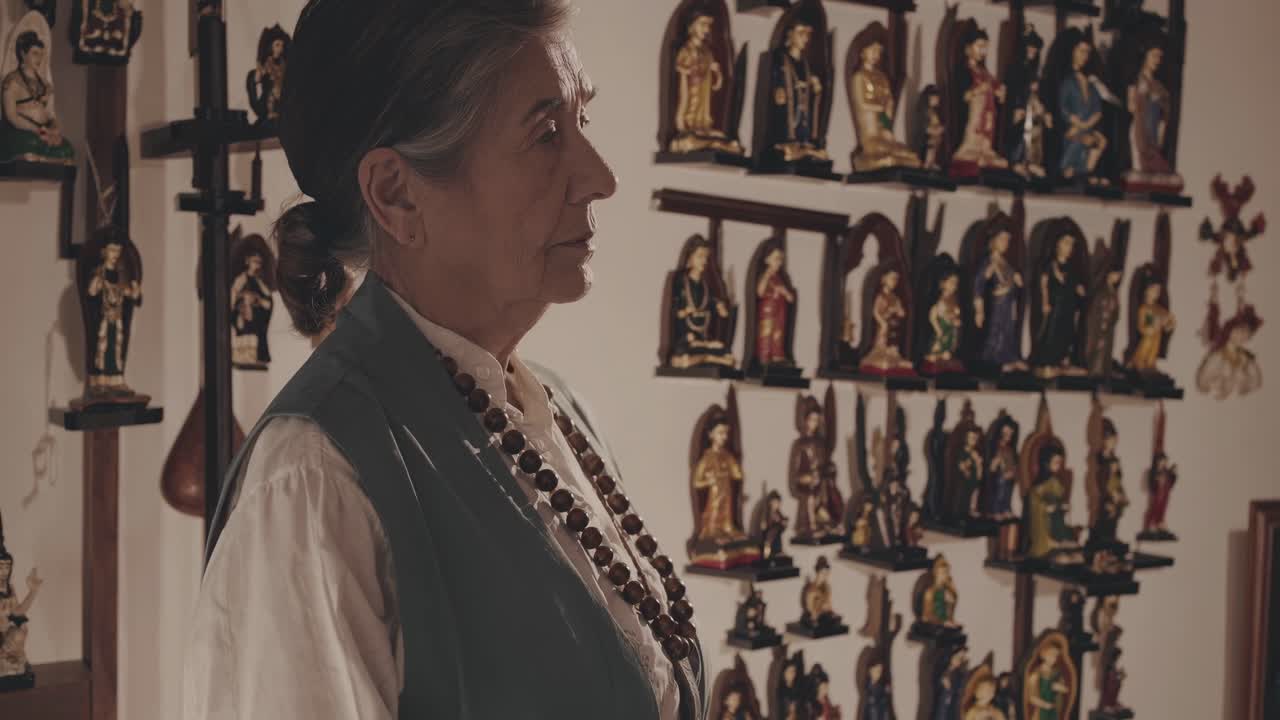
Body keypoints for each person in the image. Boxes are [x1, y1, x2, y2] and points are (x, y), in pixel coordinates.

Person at [184, 3, 705, 719]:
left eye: (581, 120)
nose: (600, 177)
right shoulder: (315, 480)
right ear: (397, 195)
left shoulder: (550, 409)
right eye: (546, 133)